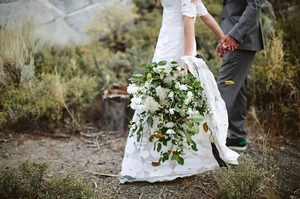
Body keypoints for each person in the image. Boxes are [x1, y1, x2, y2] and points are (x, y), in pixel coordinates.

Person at [119, 0, 239, 183]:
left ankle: (175, 159)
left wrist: (188, 58)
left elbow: (191, 18)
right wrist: (222, 37)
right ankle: (157, 159)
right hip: (165, 44)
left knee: (176, 99)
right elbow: (204, 15)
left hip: (180, 47)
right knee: (160, 97)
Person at [216, 0, 265, 151]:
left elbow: (254, 5)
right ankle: (238, 137)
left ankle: (210, 137)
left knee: (224, 88)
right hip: (235, 36)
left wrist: (234, 36)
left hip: (241, 39)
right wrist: (225, 37)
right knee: (237, 88)